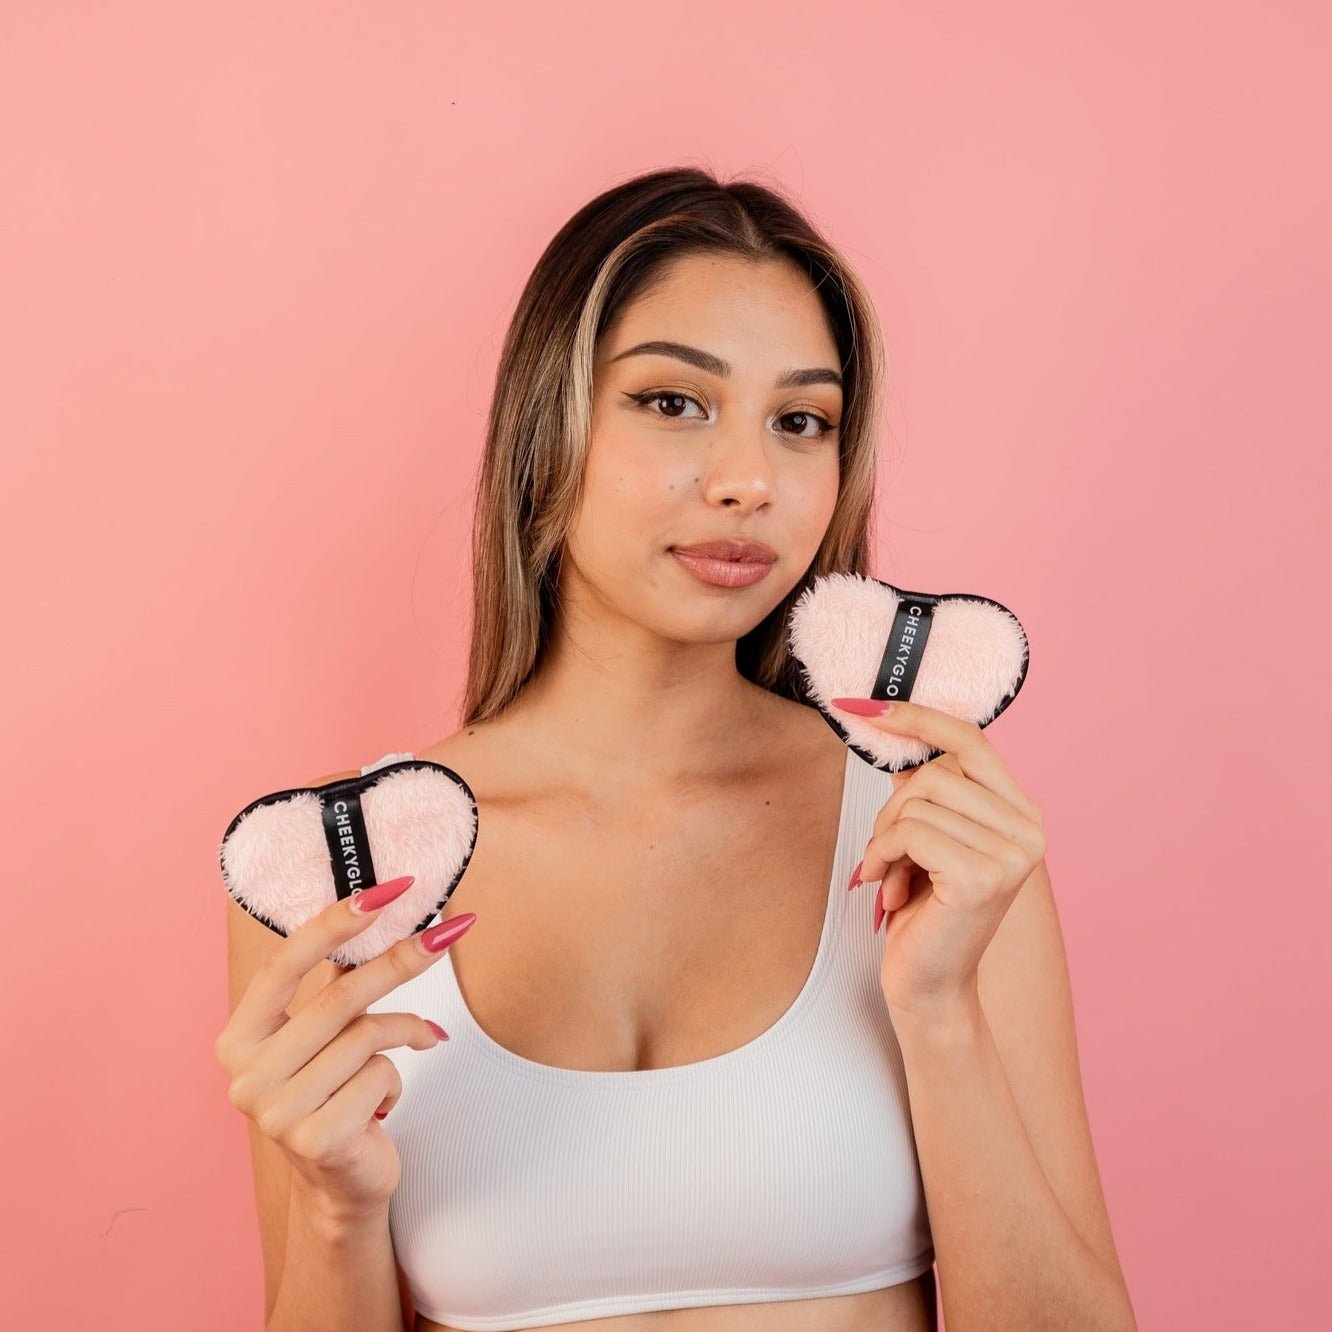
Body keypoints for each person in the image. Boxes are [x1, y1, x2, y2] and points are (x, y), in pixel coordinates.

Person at [217, 166, 1136, 1332]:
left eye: (802, 421)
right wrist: (337, 1214)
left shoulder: (929, 839)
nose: (749, 482)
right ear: (546, 427)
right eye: (673, 402)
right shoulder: (338, 877)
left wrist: (940, 1010)